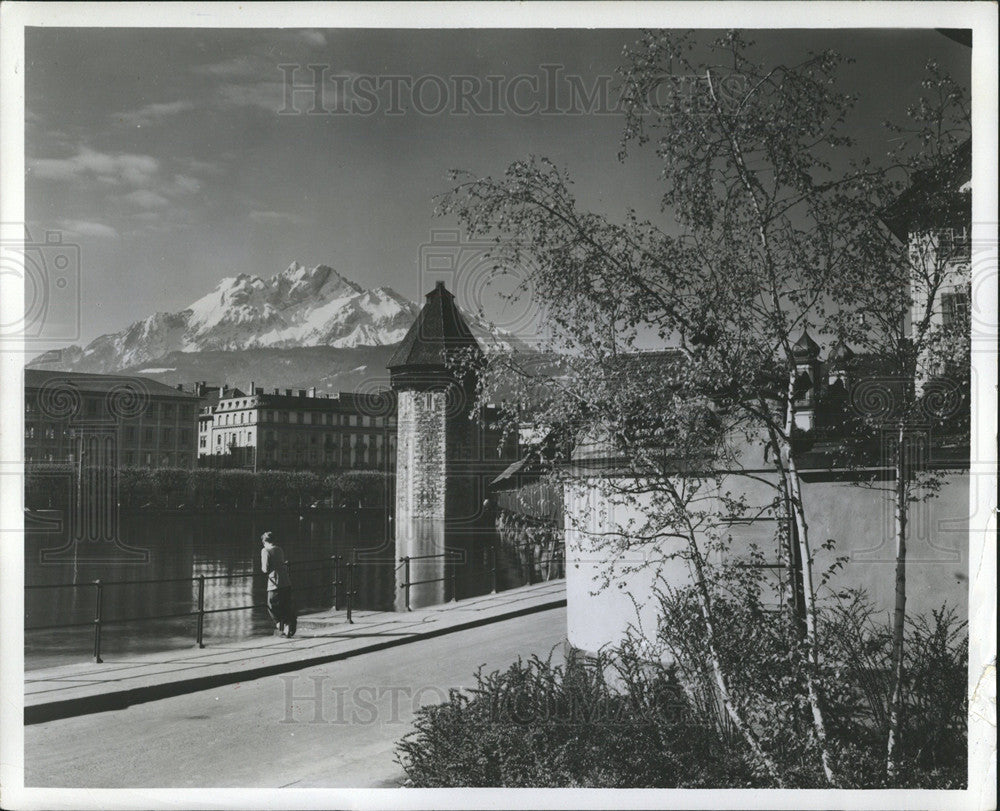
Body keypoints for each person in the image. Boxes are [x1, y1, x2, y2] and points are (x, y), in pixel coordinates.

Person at [260, 531, 297, 637]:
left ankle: (282, 626)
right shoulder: (279, 549)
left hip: (274, 583)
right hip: (286, 581)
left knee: (271, 605)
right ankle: (289, 624)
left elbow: (265, 568)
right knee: (285, 605)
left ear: (264, 541)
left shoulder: (265, 551)